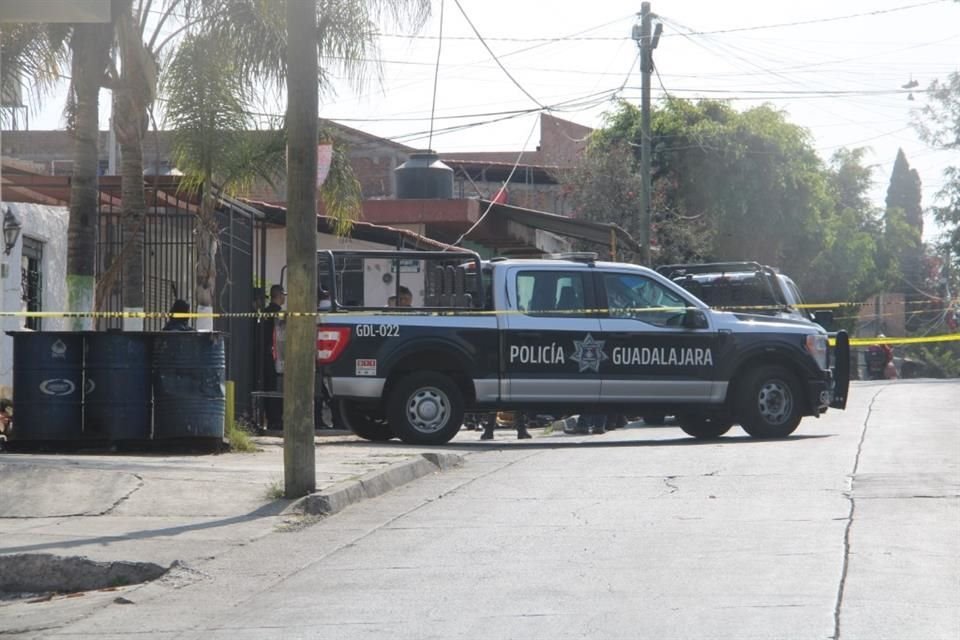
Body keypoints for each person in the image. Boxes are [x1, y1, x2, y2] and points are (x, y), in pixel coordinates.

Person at [262, 284, 286, 430]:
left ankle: (271, 418)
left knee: (268, 387)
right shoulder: (279, 314)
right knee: (277, 388)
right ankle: (276, 420)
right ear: (280, 295)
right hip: (276, 355)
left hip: (265, 354)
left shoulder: (265, 312)